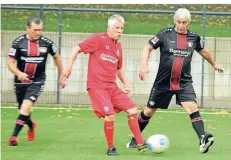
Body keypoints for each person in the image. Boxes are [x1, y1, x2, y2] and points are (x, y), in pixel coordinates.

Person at [126, 8, 224, 153]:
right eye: (178, 22)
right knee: (149, 111)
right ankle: (135, 139)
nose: (181, 25)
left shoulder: (194, 38)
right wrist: (144, 65)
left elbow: (203, 50)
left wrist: (214, 64)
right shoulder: (164, 34)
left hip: (184, 82)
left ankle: (203, 139)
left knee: (192, 107)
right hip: (163, 82)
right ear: (174, 21)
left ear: (188, 22)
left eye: (184, 22)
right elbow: (147, 47)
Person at [60, 14, 148, 156]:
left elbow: (118, 68)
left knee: (132, 108)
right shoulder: (98, 39)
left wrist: (126, 83)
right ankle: (110, 148)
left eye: (122, 28)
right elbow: (76, 48)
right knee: (110, 114)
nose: (120, 31)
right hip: (96, 86)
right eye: (117, 28)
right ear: (109, 27)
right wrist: (68, 68)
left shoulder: (118, 46)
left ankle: (139, 142)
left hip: (111, 87)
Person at [7, 17, 63, 146]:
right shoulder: (18, 43)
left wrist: (63, 74)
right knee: (22, 110)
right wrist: (19, 73)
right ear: (28, 29)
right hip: (20, 80)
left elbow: (57, 57)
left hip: (38, 80)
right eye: (35, 30)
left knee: (26, 106)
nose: (38, 33)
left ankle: (13, 137)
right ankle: (31, 126)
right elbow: (10, 63)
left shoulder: (47, 43)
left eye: (40, 30)